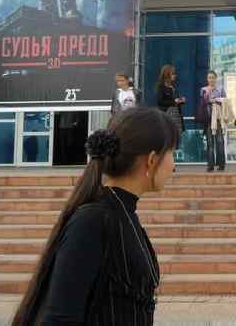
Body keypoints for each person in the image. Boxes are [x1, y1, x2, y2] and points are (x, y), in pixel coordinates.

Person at [11, 107, 178, 326]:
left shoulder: (122, 212)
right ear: (152, 160)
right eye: (172, 153)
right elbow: (60, 318)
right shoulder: (93, 220)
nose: (174, 166)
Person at [199, 70, 227, 172]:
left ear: (216, 78)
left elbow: (225, 102)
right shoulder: (203, 89)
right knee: (210, 143)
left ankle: (221, 164)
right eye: (209, 78)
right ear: (207, 79)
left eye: (213, 77)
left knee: (220, 141)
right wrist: (209, 97)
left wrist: (217, 100)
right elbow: (202, 103)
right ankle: (210, 165)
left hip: (218, 118)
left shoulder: (220, 89)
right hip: (208, 119)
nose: (211, 79)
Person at [156, 64, 185, 147]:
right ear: (167, 75)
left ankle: (174, 152)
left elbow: (175, 101)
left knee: (177, 136)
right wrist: (174, 101)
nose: (175, 75)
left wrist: (180, 101)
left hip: (176, 114)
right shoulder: (161, 87)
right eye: (173, 74)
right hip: (167, 114)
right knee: (168, 136)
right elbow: (160, 101)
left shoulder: (173, 87)